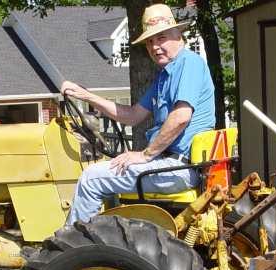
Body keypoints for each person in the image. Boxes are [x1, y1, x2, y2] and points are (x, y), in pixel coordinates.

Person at [62, 3, 215, 225]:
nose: (155, 47)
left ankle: (72, 248)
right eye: (150, 42)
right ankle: (103, 237)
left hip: (178, 167)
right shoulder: (164, 77)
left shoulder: (188, 64)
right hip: (170, 163)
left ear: (177, 35)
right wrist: (87, 96)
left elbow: (181, 116)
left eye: (161, 38)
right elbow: (133, 115)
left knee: (91, 178)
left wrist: (145, 155)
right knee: (107, 171)